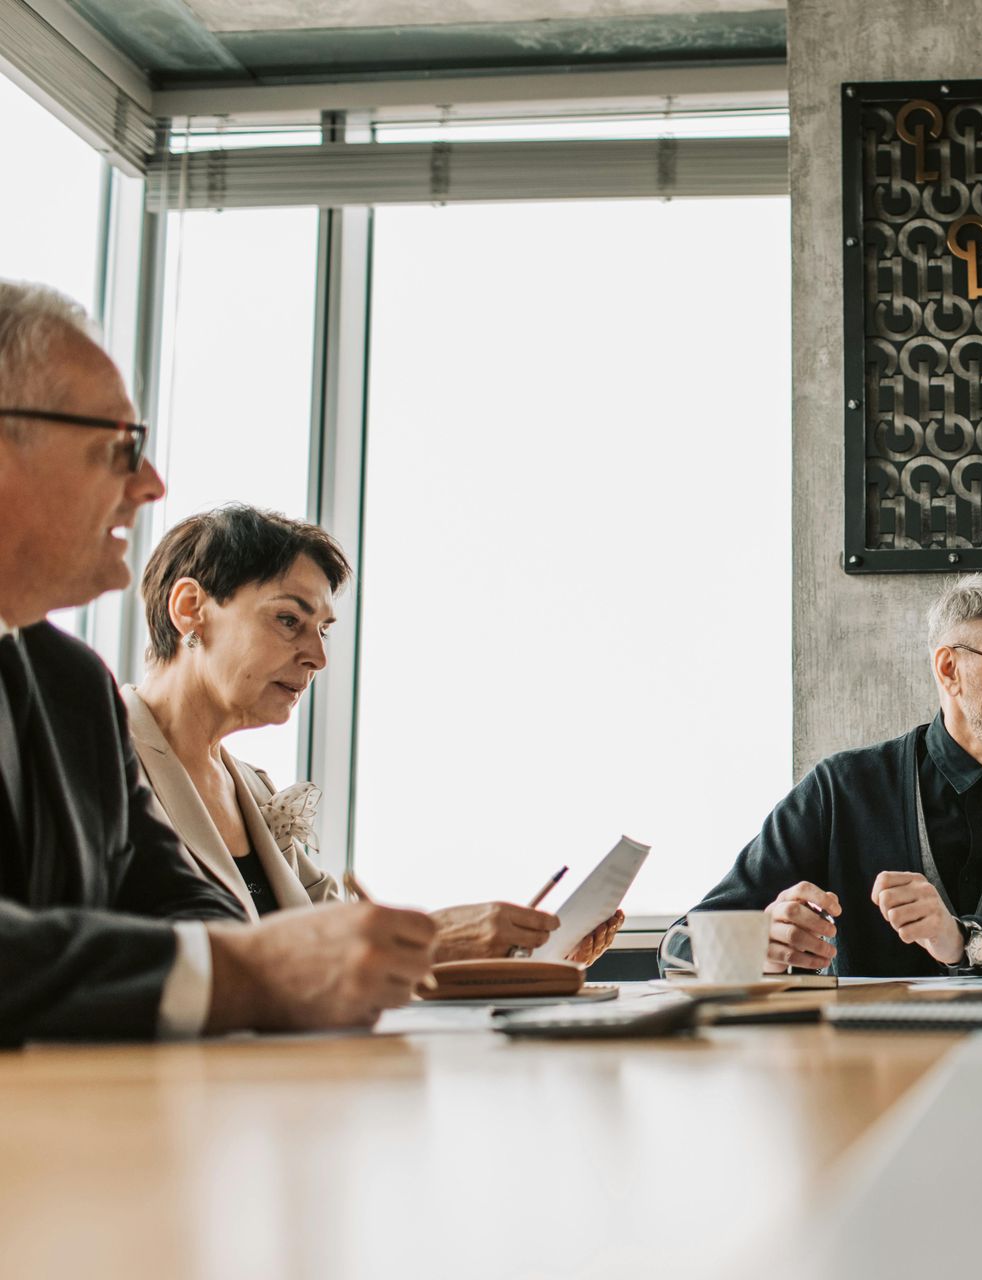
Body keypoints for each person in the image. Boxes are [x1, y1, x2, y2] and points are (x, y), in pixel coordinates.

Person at [0, 278, 434, 1041]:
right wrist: (244, 974)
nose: (151, 483)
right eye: (119, 445)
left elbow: (185, 903)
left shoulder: (70, 686)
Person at [123, 504, 621, 963]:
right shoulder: (94, 757)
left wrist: (517, 960)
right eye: (289, 619)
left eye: (323, 631)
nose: (318, 658)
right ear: (190, 608)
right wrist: (432, 938)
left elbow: (330, 945)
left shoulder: (252, 789)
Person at [684, 574, 982, 977]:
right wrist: (759, 942)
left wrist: (964, 940)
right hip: (871, 1053)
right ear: (949, 669)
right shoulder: (840, 788)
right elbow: (683, 946)